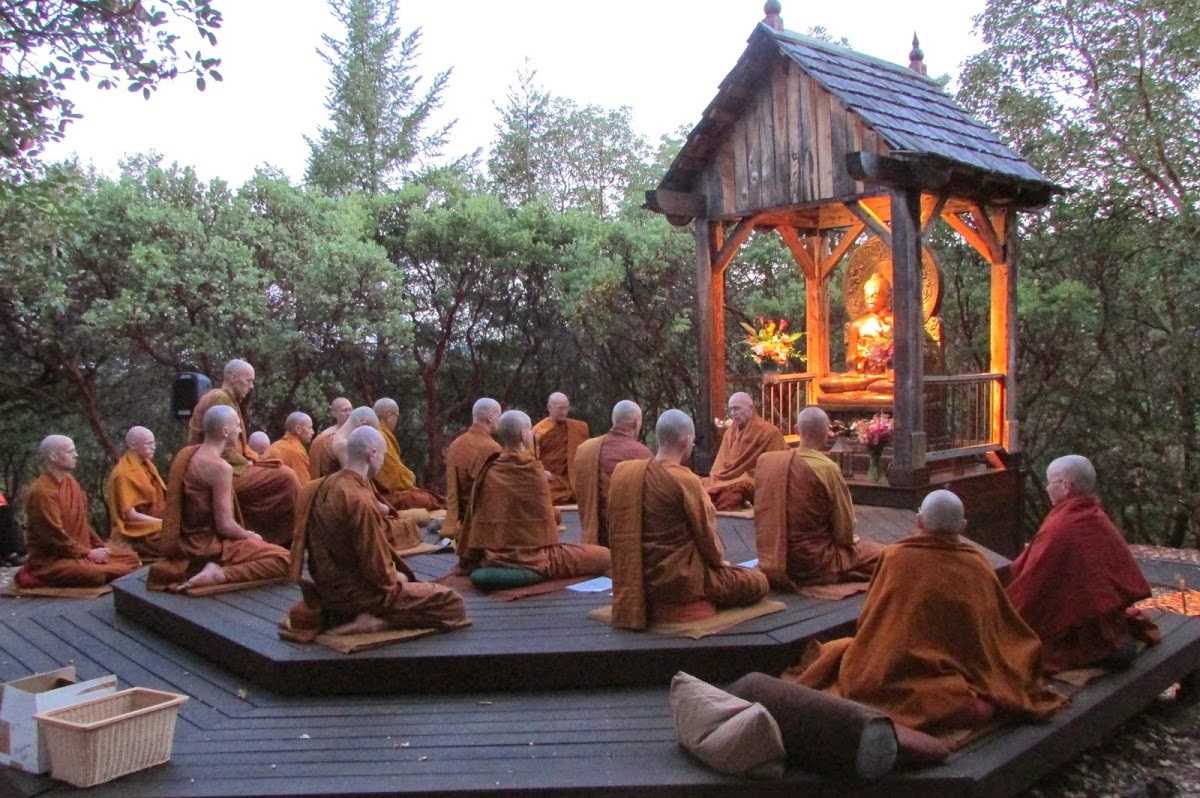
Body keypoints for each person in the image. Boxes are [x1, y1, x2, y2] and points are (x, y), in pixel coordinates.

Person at [786, 491, 1065, 738]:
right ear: (963, 526)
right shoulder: (977, 565)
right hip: (952, 671)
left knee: (857, 669)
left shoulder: (895, 558)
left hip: (886, 669)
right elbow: (995, 627)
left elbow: (871, 617)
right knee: (981, 702)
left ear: (919, 521)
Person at [284, 426, 468, 638]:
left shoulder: (324, 485)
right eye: (382, 455)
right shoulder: (359, 499)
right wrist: (398, 577)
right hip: (361, 594)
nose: (382, 462)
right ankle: (376, 621)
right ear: (372, 455)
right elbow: (378, 572)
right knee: (452, 603)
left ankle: (338, 615)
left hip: (327, 589)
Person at [607, 410, 769, 629]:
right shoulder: (685, 480)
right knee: (757, 582)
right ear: (686, 442)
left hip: (634, 578)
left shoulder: (624, 474)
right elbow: (708, 540)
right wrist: (721, 565)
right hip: (680, 581)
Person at [1007, 455, 1159, 672]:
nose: (1048, 488)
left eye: (1050, 482)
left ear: (1066, 486)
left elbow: (1031, 586)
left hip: (1082, 633)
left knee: (1017, 644)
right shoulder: (1096, 516)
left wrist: (1004, 616)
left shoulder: (1063, 526)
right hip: (1102, 624)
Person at [148, 405, 290, 592]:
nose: (240, 431)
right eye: (238, 426)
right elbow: (225, 525)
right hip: (207, 545)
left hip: (187, 541)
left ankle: (216, 569)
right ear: (225, 431)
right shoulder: (220, 468)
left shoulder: (189, 454)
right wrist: (249, 535)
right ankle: (220, 574)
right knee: (285, 560)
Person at [457, 410, 610, 580]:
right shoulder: (532, 471)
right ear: (524, 435)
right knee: (604, 555)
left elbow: (476, 516)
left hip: (494, 556)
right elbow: (547, 525)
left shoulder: (488, 469)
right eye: (530, 431)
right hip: (535, 558)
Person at [754, 407, 882, 590]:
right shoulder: (827, 468)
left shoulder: (767, 462)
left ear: (797, 430)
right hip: (815, 560)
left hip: (773, 557)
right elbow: (844, 531)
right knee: (885, 556)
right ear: (826, 433)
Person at [187, 359, 299, 546]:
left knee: (279, 471)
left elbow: (240, 445)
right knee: (286, 478)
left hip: (230, 466)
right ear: (231, 377)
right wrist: (248, 464)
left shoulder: (230, 400)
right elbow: (223, 448)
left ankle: (274, 539)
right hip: (218, 470)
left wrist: (256, 459)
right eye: (248, 381)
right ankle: (286, 541)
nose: (251, 386)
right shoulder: (219, 399)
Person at [17, 435, 140, 587]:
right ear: (53, 456)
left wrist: (99, 547)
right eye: (70, 451)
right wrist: (88, 553)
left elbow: (82, 522)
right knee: (96, 575)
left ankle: (95, 565)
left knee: (130, 558)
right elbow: (53, 535)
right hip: (54, 559)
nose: (76, 455)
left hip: (81, 552)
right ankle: (38, 574)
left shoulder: (70, 482)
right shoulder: (42, 492)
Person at [574, 400, 652, 546]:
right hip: (626, 538)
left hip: (593, 537)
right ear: (636, 423)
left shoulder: (584, 450)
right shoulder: (641, 454)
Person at [702, 392, 786, 510]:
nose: (733, 413)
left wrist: (746, 477)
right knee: (699, 485)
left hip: (751, 480)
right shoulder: (730, 432)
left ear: (751, 408)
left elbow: (776, 467)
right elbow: (720, 465)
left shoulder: (770, 433)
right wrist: (717, 479)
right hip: (726, 479)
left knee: (731, 496)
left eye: (737, 409)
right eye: (730, 410)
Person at [104, 426, 168, 560]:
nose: (154, 447)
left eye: (154, 443)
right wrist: (164, 524)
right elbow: (131, 517)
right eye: (149, 443)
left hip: (155, 525)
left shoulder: (147, 466)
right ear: (133, 445)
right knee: (179, 539)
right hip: (137, 532)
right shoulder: (123, 474)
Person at [443, 398, 502, 541]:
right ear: (490, 417)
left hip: (462, 517)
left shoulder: (456, 444)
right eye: (499, 415)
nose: (500, 420)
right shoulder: (492, 448)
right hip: (483, 517)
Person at [373, 397, 444, 511]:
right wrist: (410, 477)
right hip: (385, 496)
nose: (396, 421)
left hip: (387, 492)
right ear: (389, 415)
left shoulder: (379, 433)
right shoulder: (380, 436)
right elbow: (392, 474)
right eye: (396, 416)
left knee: (431, 497)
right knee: (427, 500)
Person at [532, 392, 589, 504]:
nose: (564, 412)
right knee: (540, 489)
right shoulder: (539, 431)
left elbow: (585, 454)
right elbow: (530, 456)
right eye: (560, 409)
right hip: (553, 480)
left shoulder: (579, 428)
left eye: (566, 408)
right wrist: (541, 471)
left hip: (574, 477)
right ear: (549, 407)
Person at [266, 412, 315, 484]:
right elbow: (304, 487)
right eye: (310, 428)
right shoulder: (296, 452)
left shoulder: (274, 445)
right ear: (298, 429)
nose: (313, 432)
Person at [310, 397, 352, 478]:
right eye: (344, 410)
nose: (349, 413)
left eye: (350, 410)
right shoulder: (324, 437)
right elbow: (315, 470)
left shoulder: (357, 433)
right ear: (334, 413)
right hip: (330, 482)